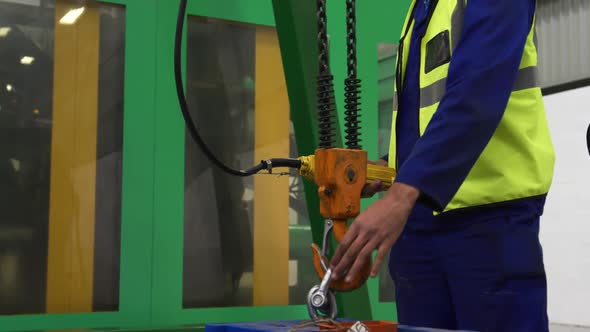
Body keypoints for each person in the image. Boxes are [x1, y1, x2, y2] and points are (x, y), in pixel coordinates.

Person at [329, 0, 555, 331]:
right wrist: (388, 169)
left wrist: (400, 196)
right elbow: (420, 115)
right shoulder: (422, 9)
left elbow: (475, 96)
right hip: (420, 222)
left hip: (486, 218)